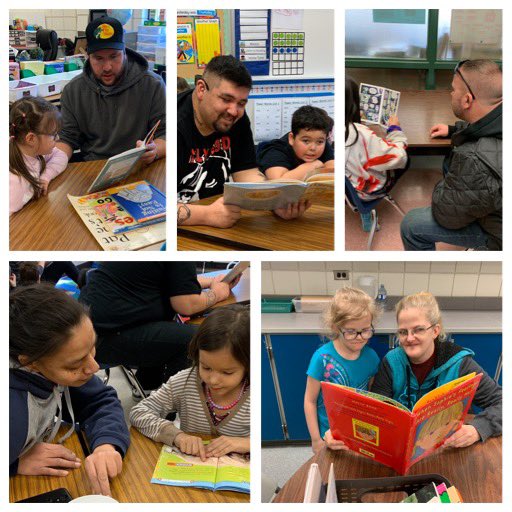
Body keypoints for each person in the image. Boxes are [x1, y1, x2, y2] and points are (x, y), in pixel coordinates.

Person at [10, 285, 130, 496]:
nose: (94, 367)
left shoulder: (49, 367)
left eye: (92, 347)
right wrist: (12, 463)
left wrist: (106, 445)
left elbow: (101, 401)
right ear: (30, 363)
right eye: (74, 365)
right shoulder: (11, 411)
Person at [177, 54, 309, 228]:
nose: (234, 111)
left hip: (222, 219)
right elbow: (153, 206)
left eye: (241, 103)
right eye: (226, 99)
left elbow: (246, 173)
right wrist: (206, 215)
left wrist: (274, 203)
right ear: (201, 89)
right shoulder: (174, 123)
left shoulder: (237, 119)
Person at [79, 262, 239, 390]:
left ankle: (147, 386)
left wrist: (213, 282)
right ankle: (169, 408)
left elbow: (175, 281)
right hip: (101, 337)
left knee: (166, 329)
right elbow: (187, 305)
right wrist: (217, 293)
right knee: (193, 338)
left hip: (93, 325)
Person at [371, 292, 502, 448]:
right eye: (403, 332)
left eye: (418, 329)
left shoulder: (460, 364)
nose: (410, 338)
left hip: (449, 448)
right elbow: (377, 411)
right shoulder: (391, 362)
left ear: (435, 331)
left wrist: (478, 429)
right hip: (401, 445)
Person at [401, 60, 502, 251]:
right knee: (451, 163)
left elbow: (446, 216)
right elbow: (487, 128)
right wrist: (453, 129)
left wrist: (447, 188)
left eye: (453, 89)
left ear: (466, 100)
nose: (451, 93)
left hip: (500, 234)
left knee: (411, 225)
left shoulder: (474, 160)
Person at [130, 305, 250, 461]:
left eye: (227, 372)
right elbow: (138, 412)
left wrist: (248, 443)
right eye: (206, 367)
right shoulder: (184, 382)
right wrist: (177, 436)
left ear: (248, 366)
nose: (213, 380)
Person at [56, 16, 166, 163]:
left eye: (114, 57)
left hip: (139, 165)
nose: (107, 67)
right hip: (93, 167)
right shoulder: (73, 91)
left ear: (125, 53)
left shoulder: (152, 85)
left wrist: (155, 150)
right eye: (98, 58)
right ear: (88, 56)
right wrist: (52, 166)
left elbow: (166, 134)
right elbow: (67, 138)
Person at [304, 287, 381, 454]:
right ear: (335, 327)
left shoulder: (372, 357)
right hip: (330, 434)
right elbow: (310, 401)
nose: (360, 337)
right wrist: (316, 440)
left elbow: (371, 397)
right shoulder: (321, 359)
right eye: (351, 332)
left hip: (360, 432)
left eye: (366, 330)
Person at [345, 76, 409, 203]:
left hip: (347, 190)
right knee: (406, 158)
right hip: (366, 191)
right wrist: (395, 130)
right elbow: (400, 157)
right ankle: (369, 210)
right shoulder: (360, 134)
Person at [9, 97, 68, 214]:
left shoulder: (33, 151)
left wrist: (45, 177)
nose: (58, 138)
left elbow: (62, 156)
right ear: (31, 138)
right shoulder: (15, 183)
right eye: (53, 135)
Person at [257, 105, 335, 180]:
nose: (313, 148)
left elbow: (333, 171)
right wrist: (313, 165)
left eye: (320, 142)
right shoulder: (275, 151)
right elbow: (279, 182)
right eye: (306, 141)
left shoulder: (320, 143)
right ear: (292, 138)